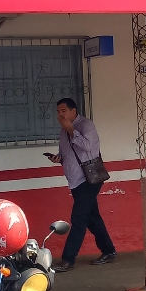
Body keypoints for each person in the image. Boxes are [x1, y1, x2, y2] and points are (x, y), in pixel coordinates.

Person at [45, 97, 116, 271]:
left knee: (78, 218)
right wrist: (58, 159)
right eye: (58, 112)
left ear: (73, 111)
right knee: (92, 218)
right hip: (75, 181)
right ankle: (109, 251)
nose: (60, 115)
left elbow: (89, 147)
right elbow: (66, 154)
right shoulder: (63, 130)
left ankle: (68, 259)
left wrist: (71, 130)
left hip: (89, 179)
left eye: (63, 111)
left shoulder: (86, 125)